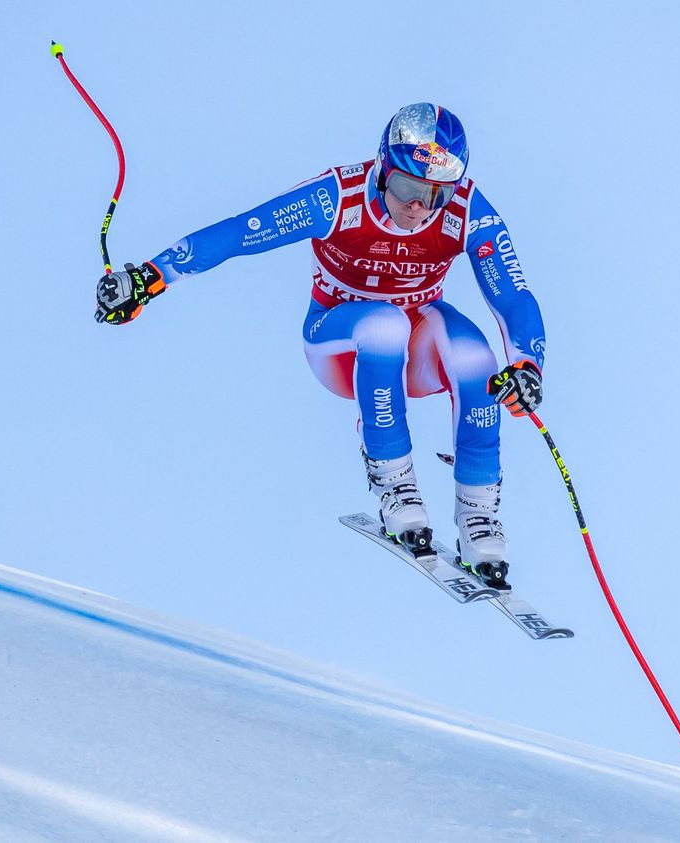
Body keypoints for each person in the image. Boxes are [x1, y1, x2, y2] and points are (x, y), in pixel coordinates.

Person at [94, 103, 545, 588]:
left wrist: (528, 365)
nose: (419, 207)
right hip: (340, 343)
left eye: (435, 195)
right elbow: (239, 233)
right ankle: (396, 483)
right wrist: (150, 277)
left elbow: (512, 294)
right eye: (408, 188)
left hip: (415, 350)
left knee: (476, 355)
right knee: (384, 324)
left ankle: (478, 514)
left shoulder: (465, 211)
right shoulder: (339, 197)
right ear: (382, 170)